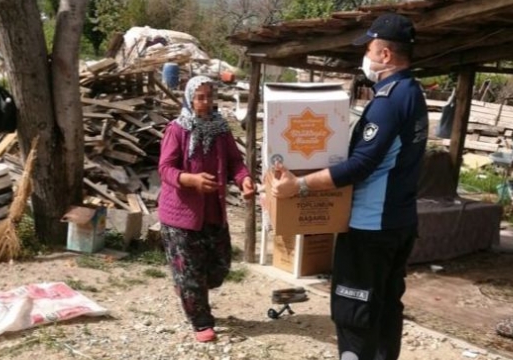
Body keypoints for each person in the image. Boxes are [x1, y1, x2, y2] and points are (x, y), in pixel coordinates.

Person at [272, 13, 429, 360]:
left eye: (370, 49)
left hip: (370, 227)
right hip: (400, 223)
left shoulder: (389, 101)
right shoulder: (412, 93)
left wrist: (298, 186)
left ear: (385, 55)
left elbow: (360, 166)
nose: (366, 57)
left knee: (354, 310)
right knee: (386, 307)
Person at [158, 75, 255, 343]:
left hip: (213, 210)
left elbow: (236, 162)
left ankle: (190, 291)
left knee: (219, 265)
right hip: (181, 214)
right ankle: (201, 321)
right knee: (190, 272)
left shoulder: (220, 129)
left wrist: (244, 179)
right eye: (200, 97)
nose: (205, 102)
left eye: (209, 97)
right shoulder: (177, 129)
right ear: (190, 99)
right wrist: (191, 180)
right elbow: (166, 168)